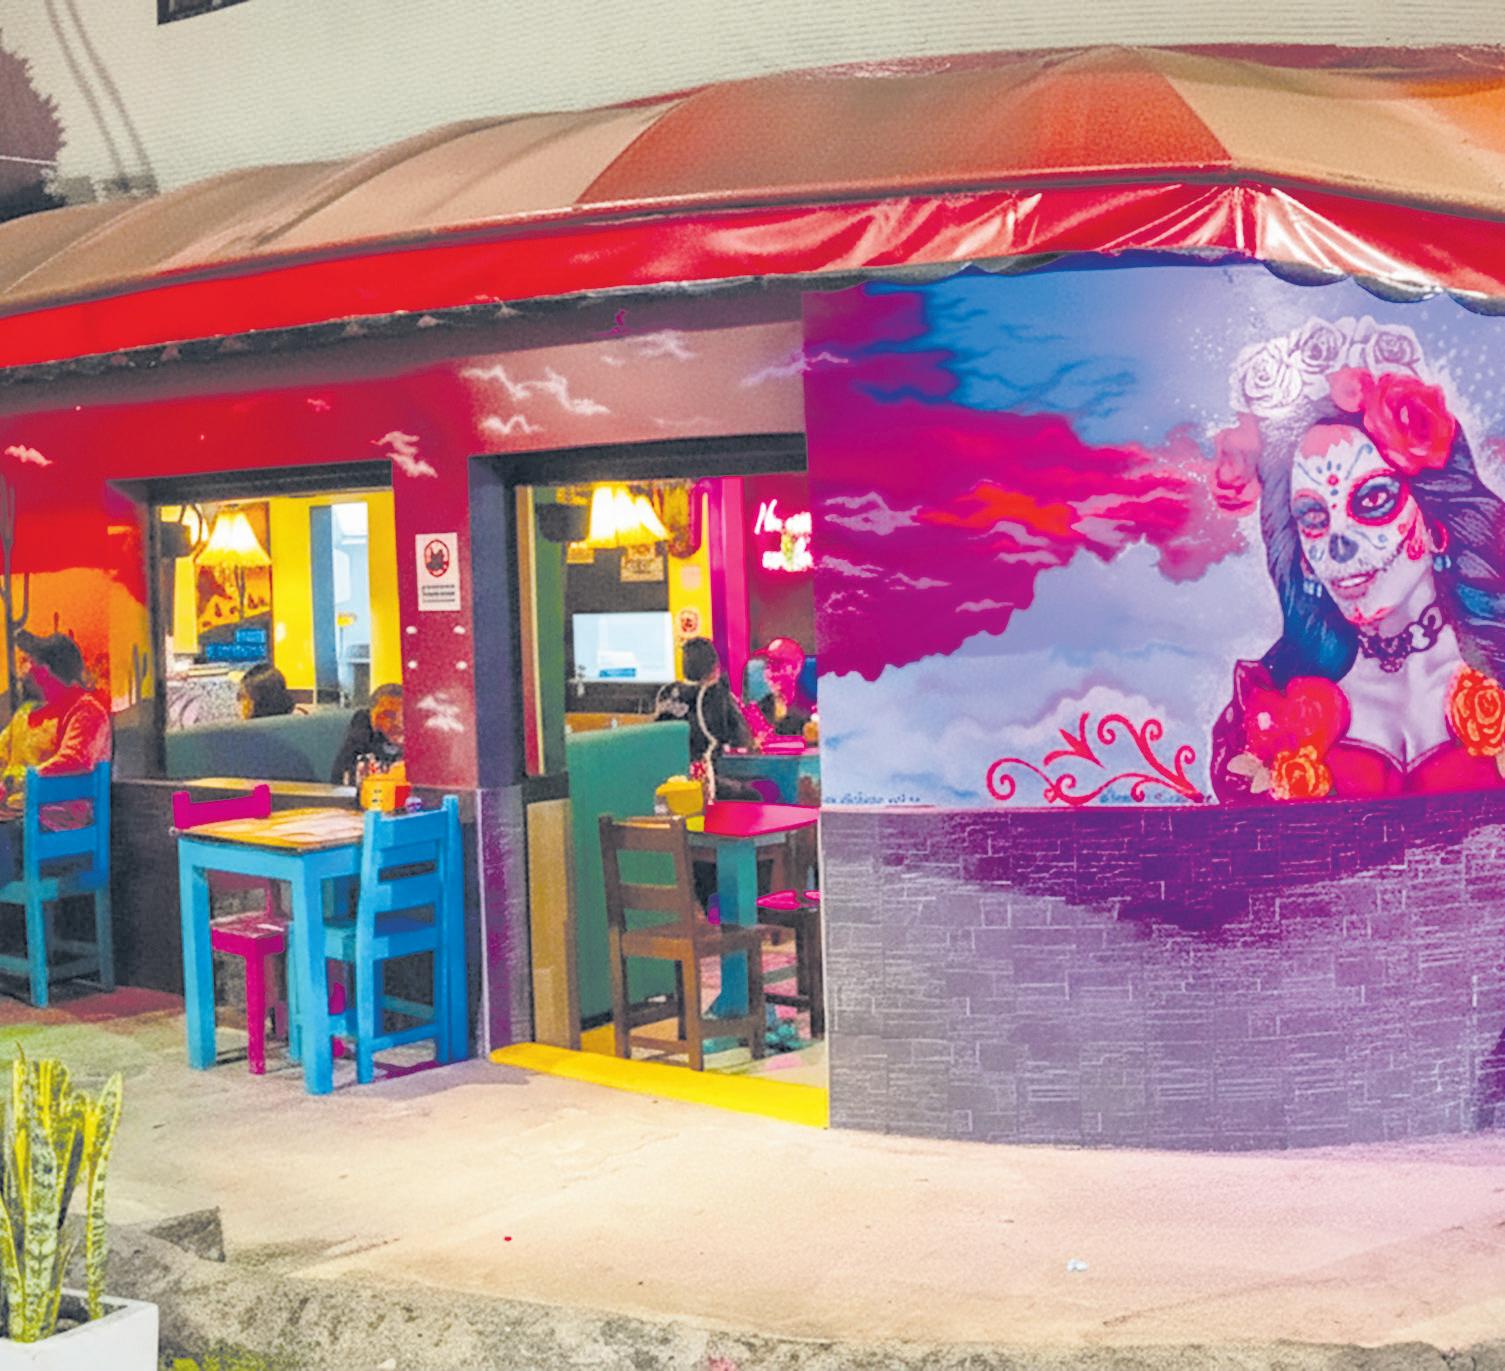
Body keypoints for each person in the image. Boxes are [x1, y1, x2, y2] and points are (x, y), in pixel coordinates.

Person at [1210, 318, 1505, 802]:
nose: (1338, 544)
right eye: (1313, 518)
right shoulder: (1267, 707)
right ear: (1302, 557)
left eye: (1372, 502)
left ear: (1434, 521)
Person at [652, 637, 756, 798]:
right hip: (701, 781)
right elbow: (742, 738)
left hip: (664, 780)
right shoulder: (714, 694)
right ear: (715, 667)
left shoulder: (666, 692)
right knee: (754, 794)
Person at [331, 683, 404, 786]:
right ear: (371, 715)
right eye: (388, 715)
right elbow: (341, 779)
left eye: (405, 715)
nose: (398, 723)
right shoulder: (361, 730)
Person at [754, 636, 813, 737]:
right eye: (768, 665)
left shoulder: (811, 707)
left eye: (777, 666)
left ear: (796, 667)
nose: (770, 673)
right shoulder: (759, 710)